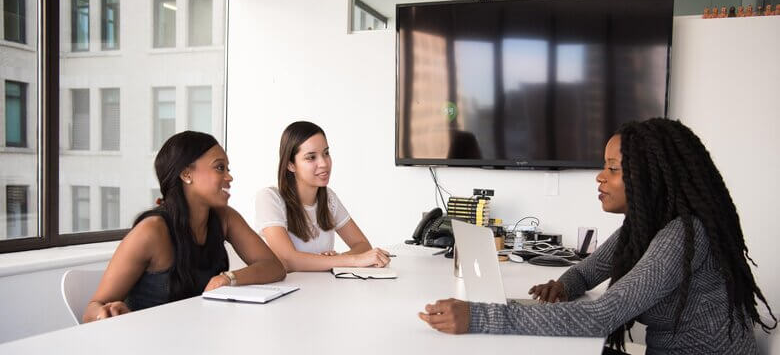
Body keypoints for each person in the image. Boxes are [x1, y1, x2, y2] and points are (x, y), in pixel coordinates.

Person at [418, 118, 777, 354]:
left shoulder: (683, 235)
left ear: (653, 177)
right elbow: (589, 270)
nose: (599, 177)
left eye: (613, 168)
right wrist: (564, 285)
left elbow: (602, 315)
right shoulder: (642, 229)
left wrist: (479, 317)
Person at [83, 131, 286, 322]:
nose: (229, 177)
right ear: (187, 174)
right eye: (219, 167)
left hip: (199, 335)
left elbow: (273, 267)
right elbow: (92, 310)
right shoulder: (151, 231)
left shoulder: (225, 218)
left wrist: (228, 278)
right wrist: (105, 314)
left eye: (227, 168)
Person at [257, 121, 390, 272]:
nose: (324, 163)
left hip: (324, 289)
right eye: (311, 157)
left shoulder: (328, 198)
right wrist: (346, 260)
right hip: (289, 292)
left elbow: (362, 244)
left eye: (326, 153)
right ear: (290, 165)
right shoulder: (269, 198)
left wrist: (335, 260)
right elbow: (289, 260)